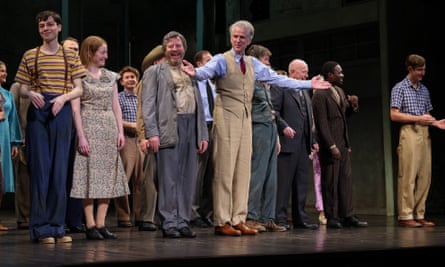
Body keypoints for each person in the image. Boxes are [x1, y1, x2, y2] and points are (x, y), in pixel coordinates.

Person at [181, 20, 331, 236]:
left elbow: (278, 79)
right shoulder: (221, 60)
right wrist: (194, 73)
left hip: (245, 118)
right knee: (225, 170)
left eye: (242, 37)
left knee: (242, 171)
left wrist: (308, 84)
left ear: (250, 39)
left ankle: (239, 218)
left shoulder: (252, 63)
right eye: (235, 36)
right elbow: (205, 72)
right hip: (226, 116)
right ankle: (222, 219)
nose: (238, 40)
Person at [14, 10, 86, 244]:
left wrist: (64, 99)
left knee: (59, 170)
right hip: (39, 109)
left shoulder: (70, 56)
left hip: (60, 108)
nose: (46, 28)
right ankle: (41, 227)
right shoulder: (31, 55)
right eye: (42, 26)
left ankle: (58, 226)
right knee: (41, 171)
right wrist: (31, 92)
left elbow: (78, 89)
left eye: (50, 25)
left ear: (59, 28)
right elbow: (21, 86)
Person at [141, 31, 208, 238]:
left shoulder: (191, 71)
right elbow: (148, 105)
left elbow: (201, 105)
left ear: (184, 49)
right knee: (169, 177)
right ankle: (169, 221)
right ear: (165, 49)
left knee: (187, 178)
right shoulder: (155, 72)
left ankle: (183, 220)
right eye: (170, 46)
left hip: (191, 125)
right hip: (168, 126)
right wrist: (152, 132)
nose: (175, 50)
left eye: (178, 46)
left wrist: (202, 134)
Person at [70, 35, 130, 240]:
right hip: (88, 125)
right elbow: (76, 110)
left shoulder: (111, 77)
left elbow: (116, 106)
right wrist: (81, 137)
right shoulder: (79, 76)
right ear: (90, 52)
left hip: (108, 128)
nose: (106, 55)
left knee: (107, 177)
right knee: (89, 176)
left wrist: (120, 132)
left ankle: (102, 223)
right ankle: (90, 224)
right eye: (102, 52)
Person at [312, 60, 367, 229]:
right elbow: (322, 124)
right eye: (339, 72)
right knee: (330, 181)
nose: (342, 75)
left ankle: (347, 215)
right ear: (330, 75)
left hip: (342, 143)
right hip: (331, 145)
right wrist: (331, 146)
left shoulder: (340, 91)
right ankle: (332, 216)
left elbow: (342, 118)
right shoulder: (320, 94)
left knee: (345, 180)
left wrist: (353, 106)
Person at [390, 54, 444, 227]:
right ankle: (405, 216)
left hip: (424, 132)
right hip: (409, 131)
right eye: (419, 70)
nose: (422, 73)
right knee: (408, 175)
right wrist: (416, 118)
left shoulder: (424, 89)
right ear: (410, 69)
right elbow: (394, 114)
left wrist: (435, 122)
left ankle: (419, 213)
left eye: (424, 69)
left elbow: (426, 113)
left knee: (424, 175)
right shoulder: (400, 88)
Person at [271, 59, 319, 230]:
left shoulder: (304, 91)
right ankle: (280, 219)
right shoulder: (281, 87)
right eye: (304, 71)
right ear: (293, 72)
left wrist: (312, 140)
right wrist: (284, 127)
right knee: (284, 184)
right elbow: (274, 110)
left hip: (302, 144)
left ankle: (301, 219)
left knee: (301, 183)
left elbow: (308, 117)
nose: (307, 75)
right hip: (287, 143)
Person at [244, 44, 286, 232]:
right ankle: (251, 217)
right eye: (265, 60)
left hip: (270, 129)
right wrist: (248, 138)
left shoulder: (264, 82)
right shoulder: (249, 81)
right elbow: (245, 111)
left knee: (271, 177)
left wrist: (276, 135)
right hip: (257, 129)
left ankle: (268, 218)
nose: (268, 63)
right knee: (257, 174)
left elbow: (271, 111)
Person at [134, 44, 165, 231]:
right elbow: (142, 112)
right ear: (156, 62)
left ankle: (161, 216)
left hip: (166, 136)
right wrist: (143, 136)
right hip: (151, 135)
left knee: (164, 178)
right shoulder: (147, 81)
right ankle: (146, 217)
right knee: (150, 178)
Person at [114, 65, 144, 228]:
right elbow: (115, 117)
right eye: (127, 77)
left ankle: (140, 215)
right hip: (126, 138)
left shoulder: (142, 97)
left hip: (140, 140)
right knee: (124, 177)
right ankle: (123, 215)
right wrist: (132, 125)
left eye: (133, 77)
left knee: (140, 180)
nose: (131, 80)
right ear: (122, 81)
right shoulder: (119, 98)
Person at [61, 36, 85, 234]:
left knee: (77, 175)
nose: (72, 53)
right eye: (69, 49)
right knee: (61, 175)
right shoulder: (56, 74)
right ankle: (59, 219)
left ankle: (75, 220)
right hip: (60, 128)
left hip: (80, 130)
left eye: (75, 49)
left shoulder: (82, 75)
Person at [190, 50, 215, 228]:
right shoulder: (192, 82)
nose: (212, 64)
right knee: (197, 172)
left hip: (216, 127)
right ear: (199, 64)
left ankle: (207, 212)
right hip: (201, 127)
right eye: (208, 60)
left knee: (212, 173)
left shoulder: (214, 82)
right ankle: (193, 212)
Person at [0, 61, 22, 231]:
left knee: (2, 182)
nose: (4, 74)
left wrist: (15, 142)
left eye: (5, 71)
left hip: (4, 138)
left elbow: (13, 119)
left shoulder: (7, 95)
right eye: (1, 71)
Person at [10, 82, 30, 230]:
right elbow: (13, 113)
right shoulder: (17, 87)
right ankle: (23, 216)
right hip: (23, 138)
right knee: (23, 179)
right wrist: (18, 136)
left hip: (40, 137)